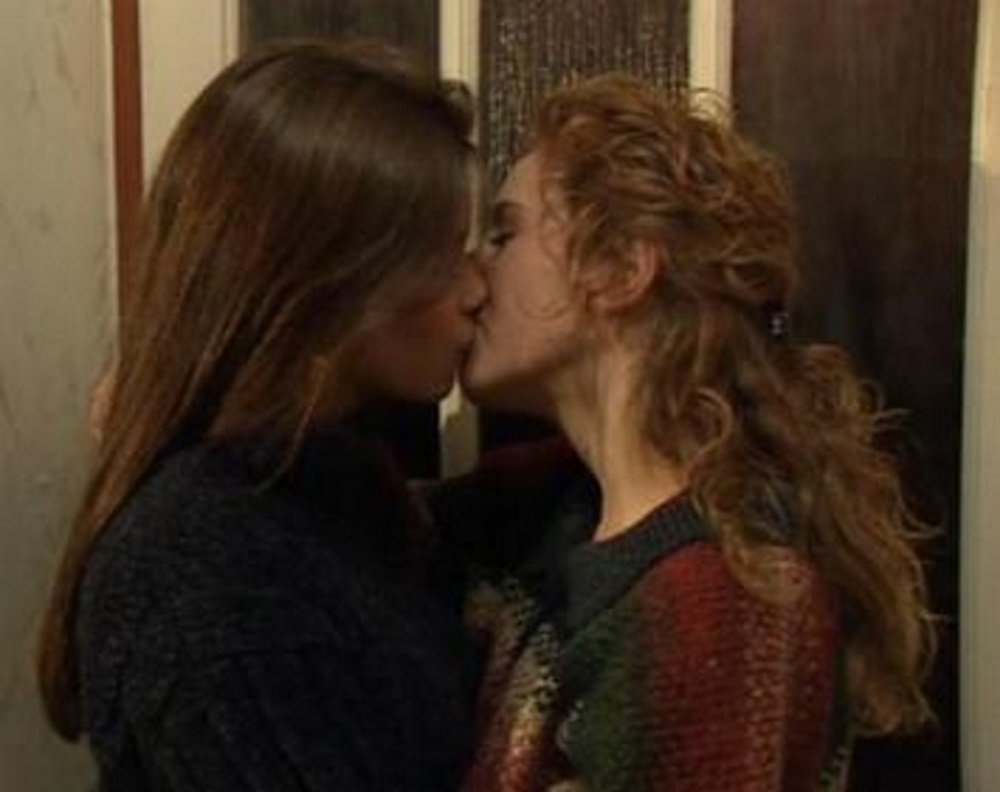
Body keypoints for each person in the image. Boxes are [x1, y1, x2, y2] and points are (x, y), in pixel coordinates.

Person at [431, 74, 935, 791]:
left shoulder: (721, 606)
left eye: (505, 233)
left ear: (620, 270)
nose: (474, 275)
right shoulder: (547, 513)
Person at [36, 39, 486, 791]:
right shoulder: (208, 571)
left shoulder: (320, 495)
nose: (477, 289)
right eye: (446, 256)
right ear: (332, 280)